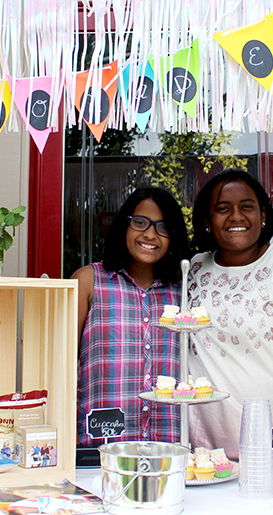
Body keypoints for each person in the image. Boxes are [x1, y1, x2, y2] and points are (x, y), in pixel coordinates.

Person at [186, 169, 273, 461]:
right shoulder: (193, 270)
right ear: (207, 222)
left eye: (246, 206)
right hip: (206, 447)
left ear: (263, 215)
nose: (236, 216)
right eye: (223, 209)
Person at [74, 186, 190, 447]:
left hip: (170, 447)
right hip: (101, 448)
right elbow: (61, 364)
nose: (150, 234)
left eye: (163, 227)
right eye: (140, 223)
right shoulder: (89, 282)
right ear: (123, 226)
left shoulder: (183, 293)